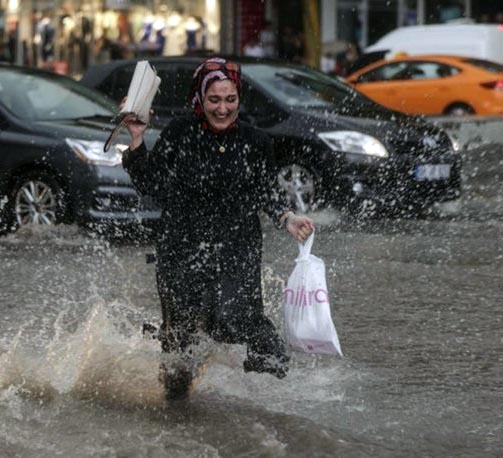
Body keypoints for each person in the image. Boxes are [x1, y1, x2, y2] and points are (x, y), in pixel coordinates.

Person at [121, 57, 314, 397]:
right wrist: (137, 137)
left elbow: (265, 192)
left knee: (243, 323)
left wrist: (288, 217)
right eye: (214, 100)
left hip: (237, 248)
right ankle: (176, 408)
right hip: (182, 249)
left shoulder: (256, 141)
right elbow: (151, 185)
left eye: (230, 99)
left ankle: (266, 411)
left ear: (239, 98)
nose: (223, 109)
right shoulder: (180, 133)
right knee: (181, 343)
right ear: (200, 98)